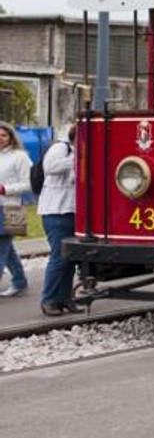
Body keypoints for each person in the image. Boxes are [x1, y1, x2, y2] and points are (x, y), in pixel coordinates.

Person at [38, 123, 80, 316]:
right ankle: (49, 299)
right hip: (56, 210)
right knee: (59, 257)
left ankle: (65, 298)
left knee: (70, 258)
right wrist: (77, 157)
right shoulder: (61, 148)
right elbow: (50, 167)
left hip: (72, 211)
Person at [0, 121, 32, 298]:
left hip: (11, 208)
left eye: (4, 135)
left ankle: (19, 282)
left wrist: (5, 189)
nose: (0, 139)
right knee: (7, 249)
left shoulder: (20, 156)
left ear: (11, 137)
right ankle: (20, 280)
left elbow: (29, 184)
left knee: (1, 248)